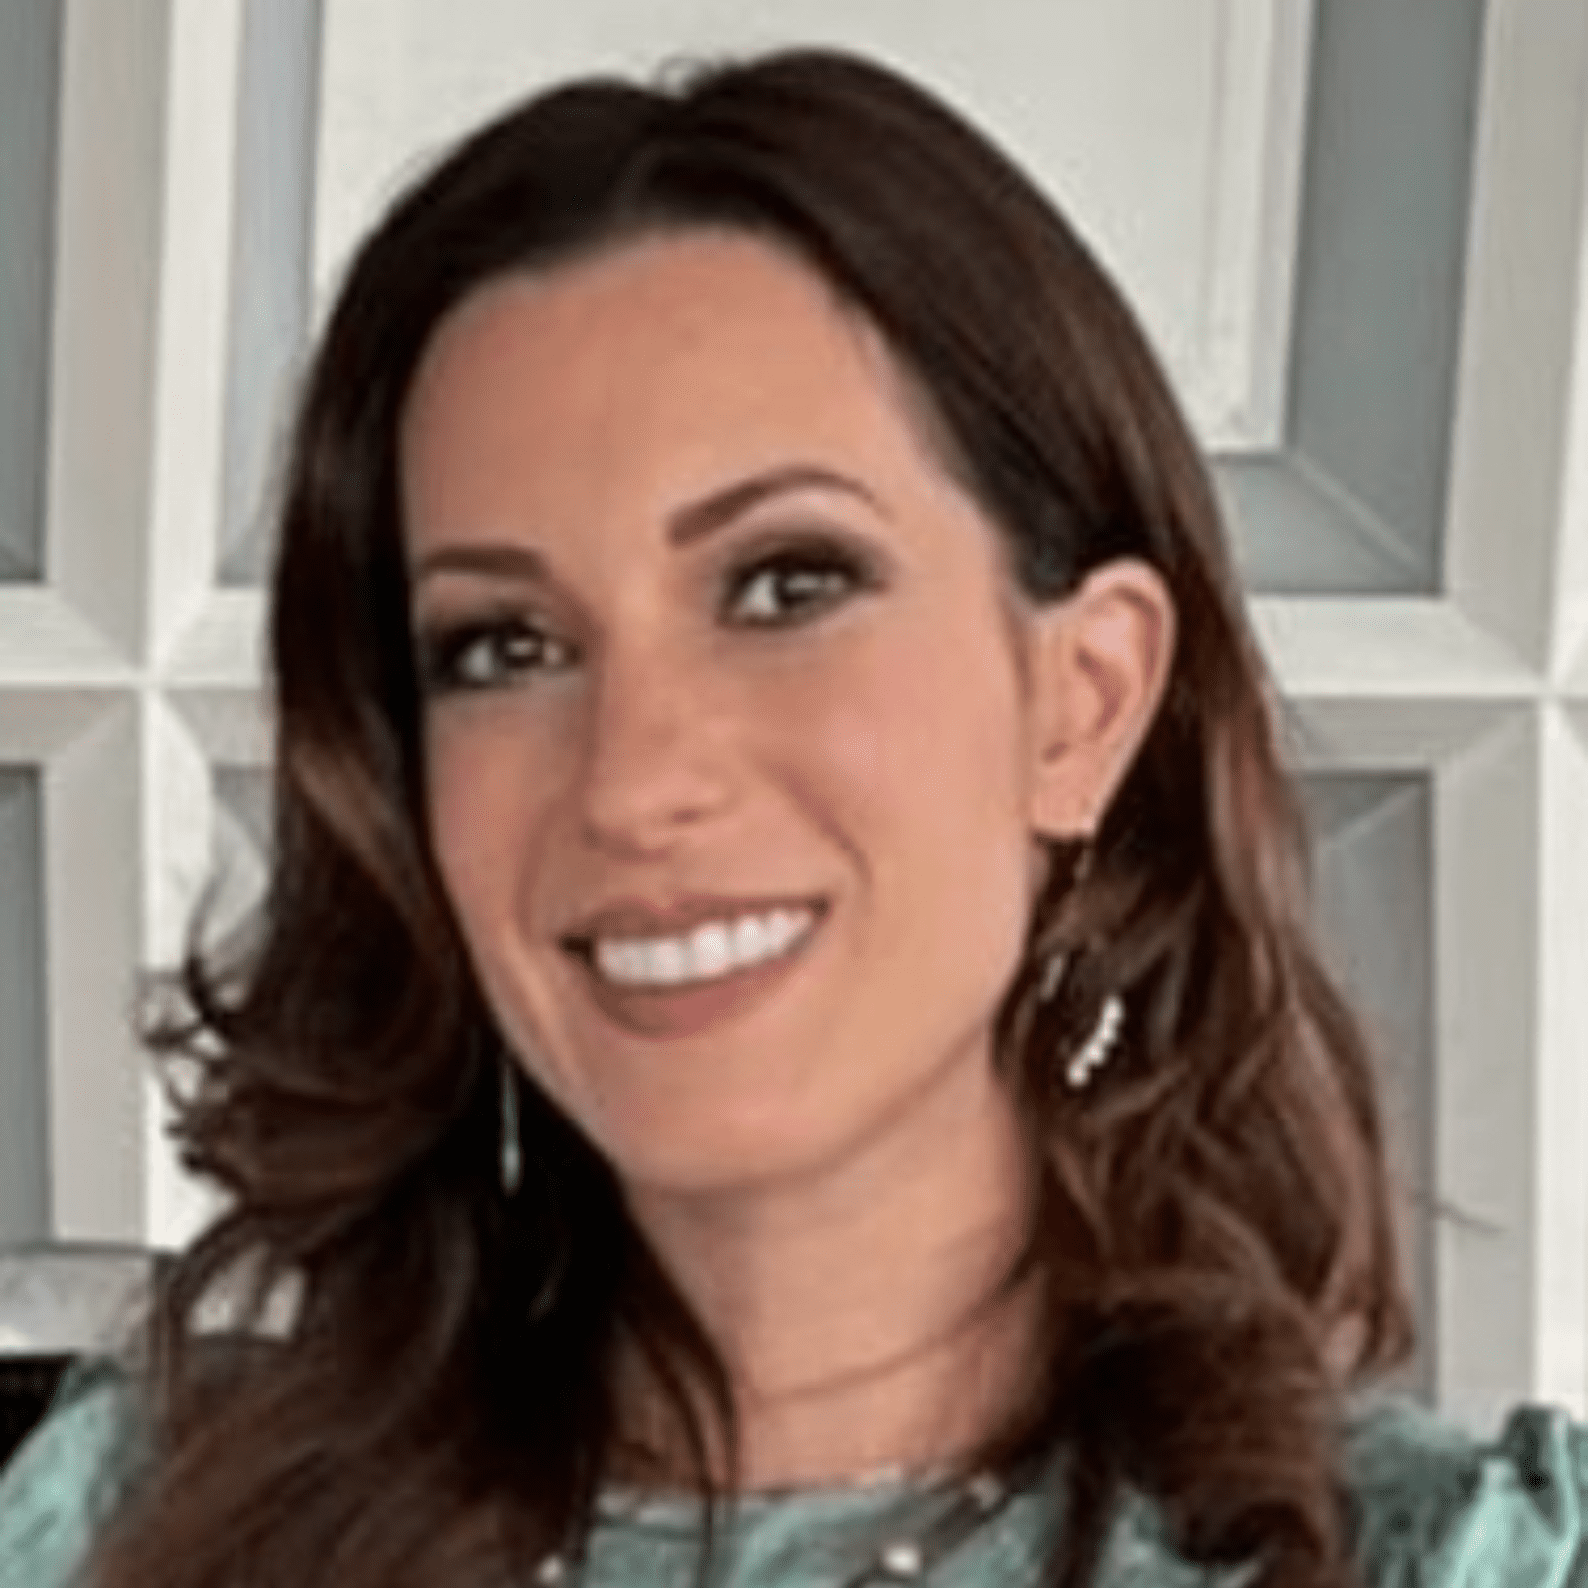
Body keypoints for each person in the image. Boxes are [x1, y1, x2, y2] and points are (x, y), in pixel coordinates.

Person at [1, 45, 1583, 1588]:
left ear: (1085, 698)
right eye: (503, 646)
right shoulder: (133, 1527)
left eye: (785, 584)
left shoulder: (1440, 1562)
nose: (632, 779)